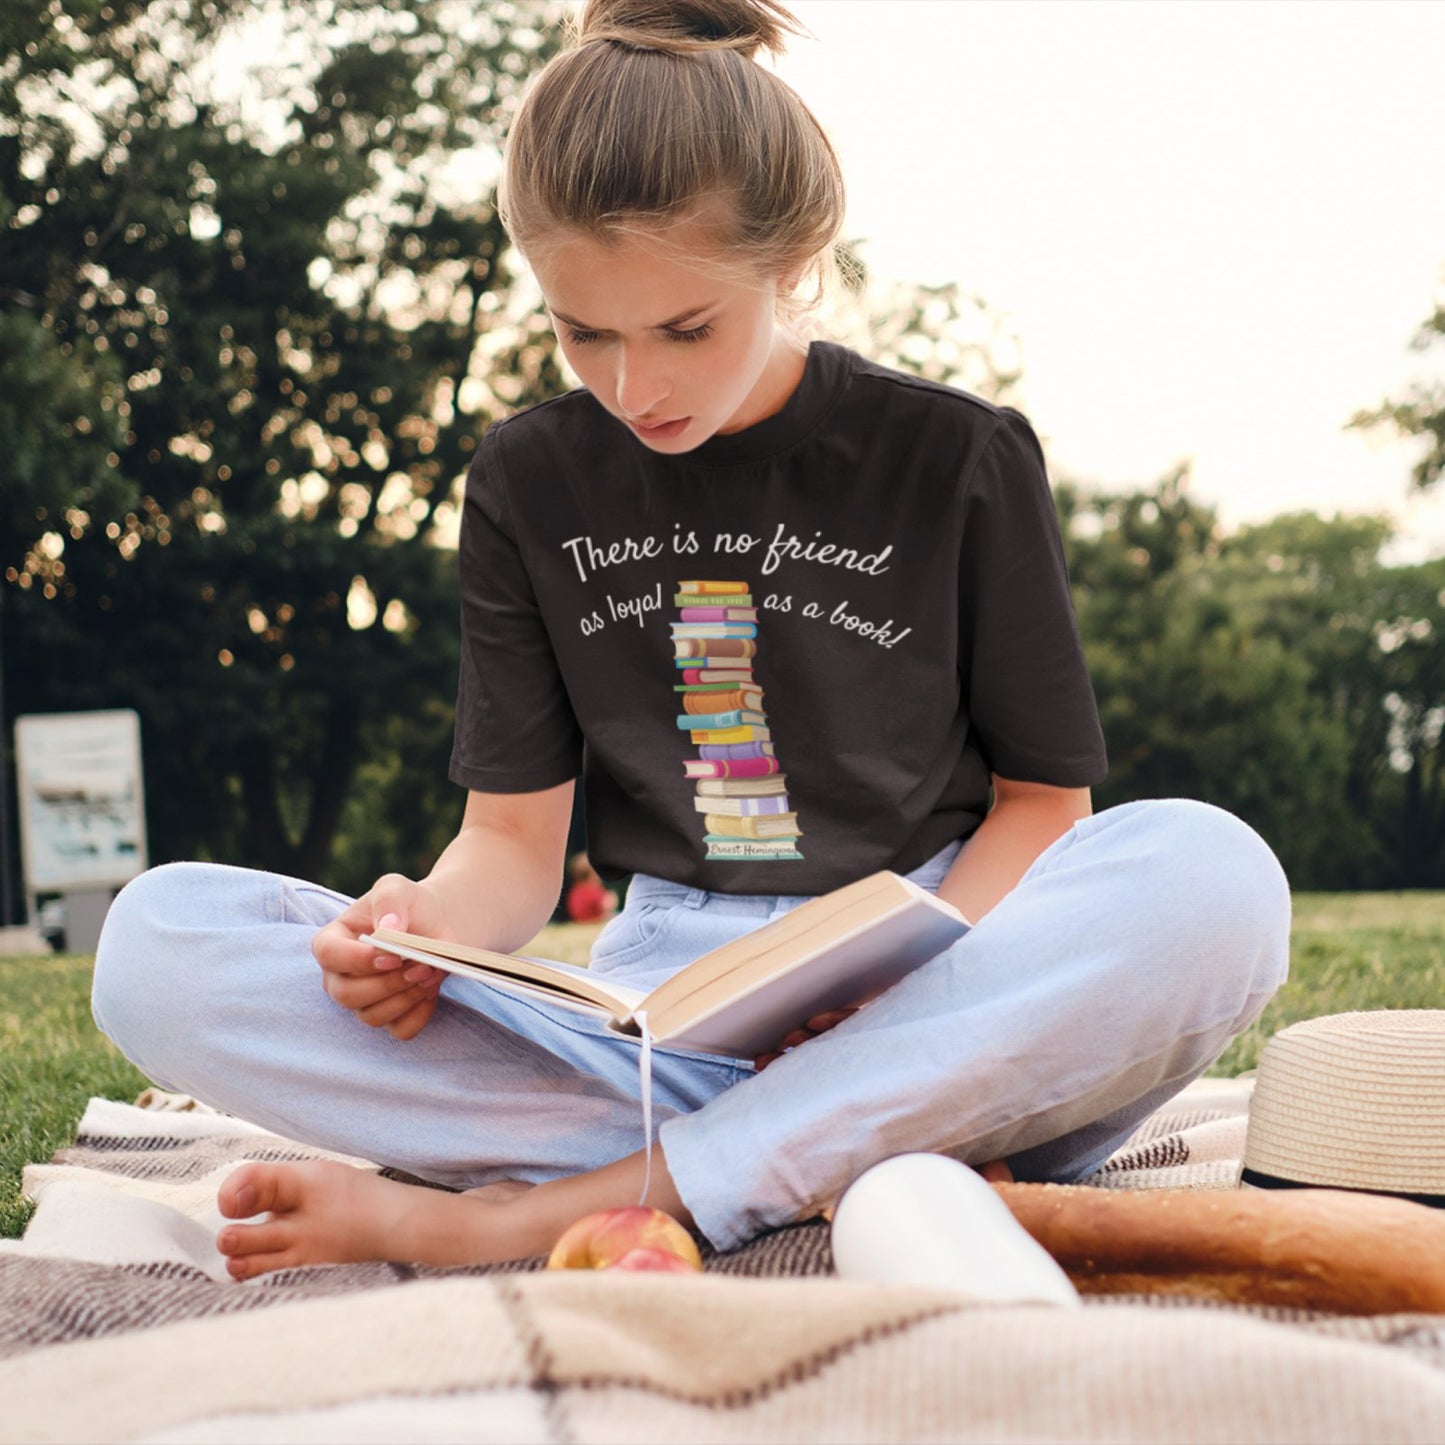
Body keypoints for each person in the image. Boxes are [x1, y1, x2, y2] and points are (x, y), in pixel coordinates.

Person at [90, 0, 1290, 1279]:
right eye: (580, 330)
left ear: (795, 260)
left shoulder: (955, 454)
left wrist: (909, 980)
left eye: (682, 329)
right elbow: (508, 846)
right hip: (655, 1020)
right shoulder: (526, 480)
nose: (630, 386)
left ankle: (525, 1211)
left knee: (1211, 877)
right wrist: (417, 930)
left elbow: (1045, 804)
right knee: (157, 944)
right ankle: (851, 1148)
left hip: (941, 970)